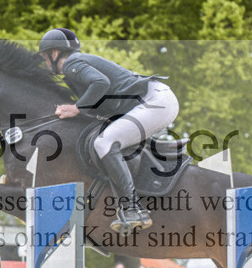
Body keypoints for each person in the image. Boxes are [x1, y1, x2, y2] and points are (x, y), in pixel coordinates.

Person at [39, 27, 179, 233]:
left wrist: (77, 108)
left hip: (155, 102)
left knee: (104, 142)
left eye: (44, 57)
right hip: (157, 100)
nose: (45, 62)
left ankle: (132, 209)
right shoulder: (76, 67)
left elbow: (100, 82)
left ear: (54, 53)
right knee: (109, 138)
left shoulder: (71, 64)